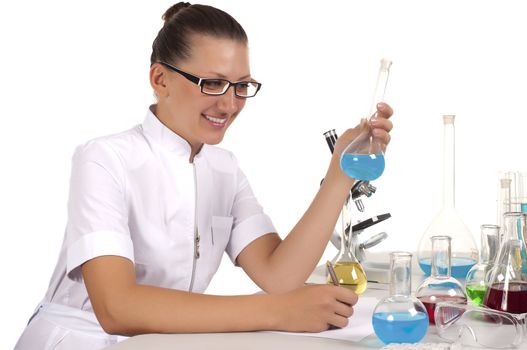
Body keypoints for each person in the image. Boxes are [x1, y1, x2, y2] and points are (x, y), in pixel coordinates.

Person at [15, 2, 394, 349]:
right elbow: (117, 308)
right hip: (79, 341)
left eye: (242, 86)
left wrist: (341, 171)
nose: (229, 104)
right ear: (160, 79)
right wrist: (277, 311)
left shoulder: (223, 168)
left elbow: (280, 277)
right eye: (212, 83)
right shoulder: (104, 159)